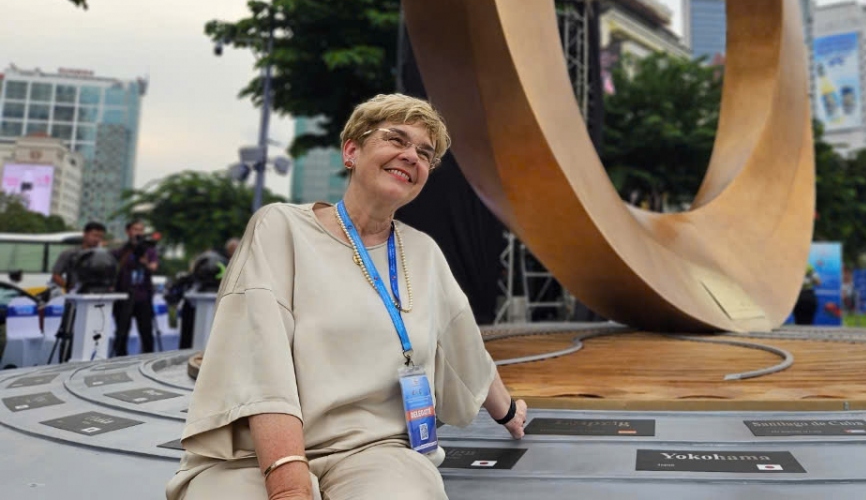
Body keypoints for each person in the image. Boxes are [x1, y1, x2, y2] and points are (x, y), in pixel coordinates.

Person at [166, 94, 527, 500]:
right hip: (254, 456)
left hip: (375, 451)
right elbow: (259, 364)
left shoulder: (423, 252)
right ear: (351, 151)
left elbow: (465, 347)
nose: (411, 156)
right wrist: (289, 486)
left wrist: (509, 412)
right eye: (396, 139)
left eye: (425, 153)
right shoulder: (281, 228)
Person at [112, 219, 158, 356]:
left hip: (143, 296)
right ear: (128, 231)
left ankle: (148, 358)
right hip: (123, 296)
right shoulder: (122, 251)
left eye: (141, 230)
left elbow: (153, 267)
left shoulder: (149, 250)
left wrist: (145, 262)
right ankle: (120, 359)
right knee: (121, 332)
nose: (138, 233)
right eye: (135, 229)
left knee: (146, 332)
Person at [51, 221, 107, 293]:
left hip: (98, 295)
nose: (97, 239)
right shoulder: (69, 253)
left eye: (100, 237)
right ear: (85, 234)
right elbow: (56, 275)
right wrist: (70, 288)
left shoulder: (103, 255)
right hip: (75, 296)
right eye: (94, 235)